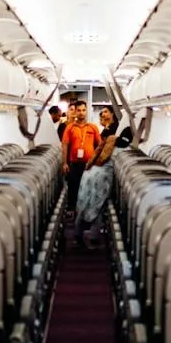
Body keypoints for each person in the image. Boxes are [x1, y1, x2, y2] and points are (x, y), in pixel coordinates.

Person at [76, 107, 124, 244]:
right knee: (98, 204)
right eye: (102, 112)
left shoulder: (111, 132)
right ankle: (92, 236)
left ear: (113, 114)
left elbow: (101, 153)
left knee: (88, 202)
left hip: (96, 171)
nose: (102, 114)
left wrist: (91, 164)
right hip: (101, 173)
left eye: (106, 111)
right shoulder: (111, 133)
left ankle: (82, 233)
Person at [58, 96, 101, 246]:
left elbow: (99, 146)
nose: (82, 113)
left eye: (84, 110)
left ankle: (86, 228)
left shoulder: (93, 128)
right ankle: (77, 230)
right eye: (79, 110)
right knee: (75, 194)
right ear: (75, 112)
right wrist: (64, 163)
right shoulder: (70, 128)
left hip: (89, 166)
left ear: (86, 111)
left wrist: (97, 163)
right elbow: (64, 146)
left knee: (88, 197)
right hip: (75, 165)